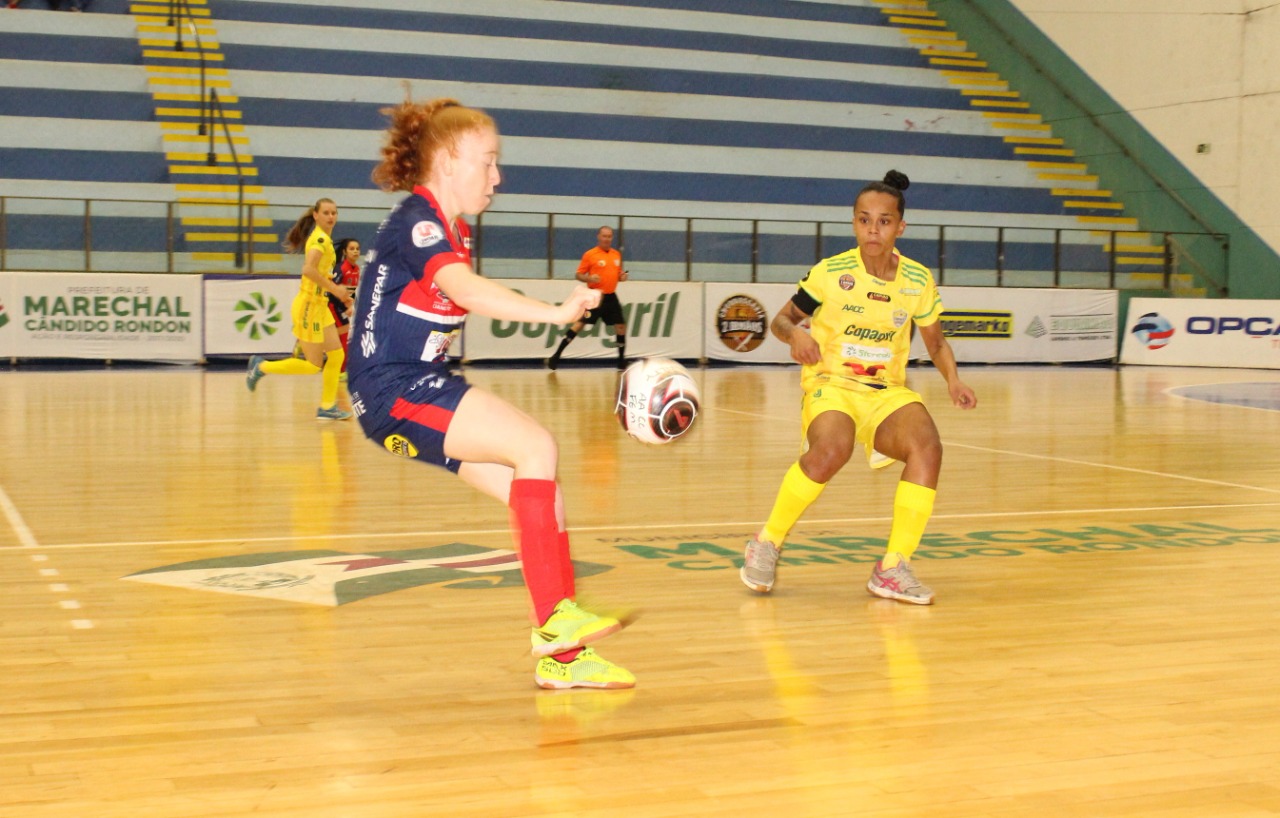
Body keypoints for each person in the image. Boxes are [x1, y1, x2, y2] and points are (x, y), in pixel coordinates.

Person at [346, 96, 635, 690]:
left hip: (411, 387)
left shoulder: (452, 228)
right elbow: (466, 291)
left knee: (541, 495)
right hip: (394, 388)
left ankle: (564, 659)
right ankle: (557, 622)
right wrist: (555, 313)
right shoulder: (419, 221)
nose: (497, 177)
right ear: (449, 159)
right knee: (536, 446)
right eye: (488, 161)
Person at [741, 170, 977, 605]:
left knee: (928, 447)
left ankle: (893, 567)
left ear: (900, 227)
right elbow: (781, 320)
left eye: (884, 221)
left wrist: (954, 379)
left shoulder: (917, 280)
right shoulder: (831, 273)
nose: (873, 229)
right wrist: (796, 336)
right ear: (854, 223)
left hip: (885, 392)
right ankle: (767, 541)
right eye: (864, 220)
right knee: (833, 450)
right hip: (831, 384)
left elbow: (936, 342)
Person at [245, 198, 355, 421]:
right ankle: (262, 367)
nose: (331, 217)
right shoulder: (319, 240)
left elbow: (321, 274)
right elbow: (308, 269)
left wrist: (339, 294)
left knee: (336, 355)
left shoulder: (325, 239)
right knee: (313, 365)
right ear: (316, 215)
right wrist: (336, 290)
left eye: (334, 213)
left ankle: (327, 407)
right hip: (309, 307)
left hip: (320, 305)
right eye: (326, 213)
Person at [546, 225, 628, 370]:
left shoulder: (616, 254)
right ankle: (556, 356)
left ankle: (621, 361)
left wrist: (622, 277)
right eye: (604, 236)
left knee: (621, 326)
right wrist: (589, 278)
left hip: (610, 297)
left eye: (609, 236)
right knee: (579, 324)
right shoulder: (590, 254)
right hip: (594, 296)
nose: (607, 239)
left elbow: (617, 274)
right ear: (598, 237)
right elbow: (578, 274)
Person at [327, 237, 362, 375]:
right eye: (352, 249)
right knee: (344, 336)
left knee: (339, 336)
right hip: (333, 306)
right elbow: (331, 291)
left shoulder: (357, 269)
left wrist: (350, 304)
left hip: (342, 306)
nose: (355, 251)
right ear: (344, 252)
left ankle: (308, 342)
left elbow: (351, 291)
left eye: (357, 249)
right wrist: (344, 306)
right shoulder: (341, 268)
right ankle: (341, 371)